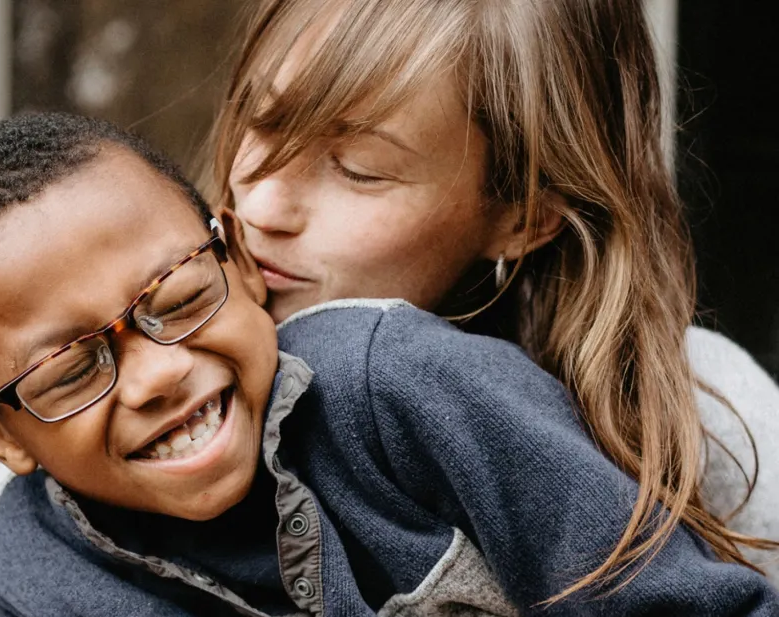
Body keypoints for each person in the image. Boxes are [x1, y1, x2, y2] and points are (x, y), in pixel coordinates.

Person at [0, 111, 779, 616]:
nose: (157, 373)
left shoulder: (400, 385)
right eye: (69, 372)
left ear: (239, 261)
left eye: (175, 298)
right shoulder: (30, 575)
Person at [205, 0, 779, 593]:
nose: (262, 206)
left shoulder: (702, 416)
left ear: (526, 215)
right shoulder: (146, 392)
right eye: (261, 120)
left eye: (359, 168)